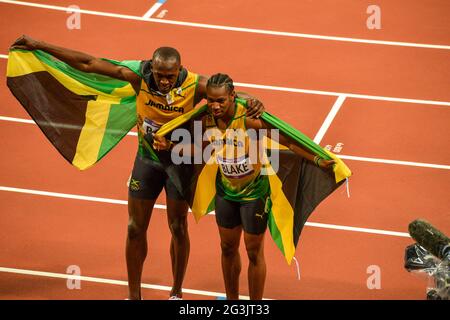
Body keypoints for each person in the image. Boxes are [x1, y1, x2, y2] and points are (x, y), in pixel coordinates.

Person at [10, 36, 265, 300]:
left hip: (180, 163)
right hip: (147, 159)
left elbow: (226, 93)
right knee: (134, 227)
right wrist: (39, 45)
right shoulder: (138, 76)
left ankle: (176, 292)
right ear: (152, 69)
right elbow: (88, 63)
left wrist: (253, 100)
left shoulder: (194, 85)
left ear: (179, 71)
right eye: (160, 75)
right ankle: (134, 296)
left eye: (170, 76)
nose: (164, 81)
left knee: (178, 226)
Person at [154, 73, 335, 300]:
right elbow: (200, 149)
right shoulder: (208, 120)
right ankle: (232, 302)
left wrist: (317, 159)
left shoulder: (248, 119)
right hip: (226, 192)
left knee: (253, 252)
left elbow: (287, 140)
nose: (215, 105)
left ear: (232, 96)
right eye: (210, 100)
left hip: (253, 194)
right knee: (227, 248)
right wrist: (170, 145)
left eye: (221, 100)